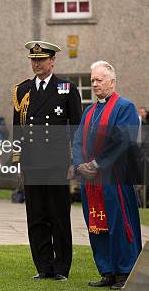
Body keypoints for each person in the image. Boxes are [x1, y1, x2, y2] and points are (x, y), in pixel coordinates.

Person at [12, 41, 82, 281]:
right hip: (32, 163)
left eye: (41, 59)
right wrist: (18, 162)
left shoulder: (66, 88)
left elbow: (76, 129)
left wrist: (75, 160)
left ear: (52, 61)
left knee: (58, 216)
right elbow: (18, 130)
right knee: (36, 216)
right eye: (33, 59)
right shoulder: (22, 90)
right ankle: (44, 266)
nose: (37, 63)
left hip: (57, 163)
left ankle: (62, 267)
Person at [72, 61, 142, 290]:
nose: (94, 84)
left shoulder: (125, 107)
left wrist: (98, 163)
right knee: (97, 225)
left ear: (112, 81)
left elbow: (122, 140)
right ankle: (107, 271)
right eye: (92, 80)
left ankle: (124, 272)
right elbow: (77, 139)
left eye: (98, 80)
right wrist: (80, 164)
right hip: (91, 181)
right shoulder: (90, 110)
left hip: (115, 178)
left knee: (120, 224)